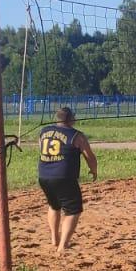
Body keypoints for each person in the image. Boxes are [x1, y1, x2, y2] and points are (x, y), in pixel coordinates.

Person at [36, 106, 97, 256]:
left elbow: (41, 147)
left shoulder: (44, 131)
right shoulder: (76, 135)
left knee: (54, 206)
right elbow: (89, 155)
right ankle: (63, 246)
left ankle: (54, 239)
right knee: (73, 211)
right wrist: (94, 170)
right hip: (64, 177)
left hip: (44, 176)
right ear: (70, 119)